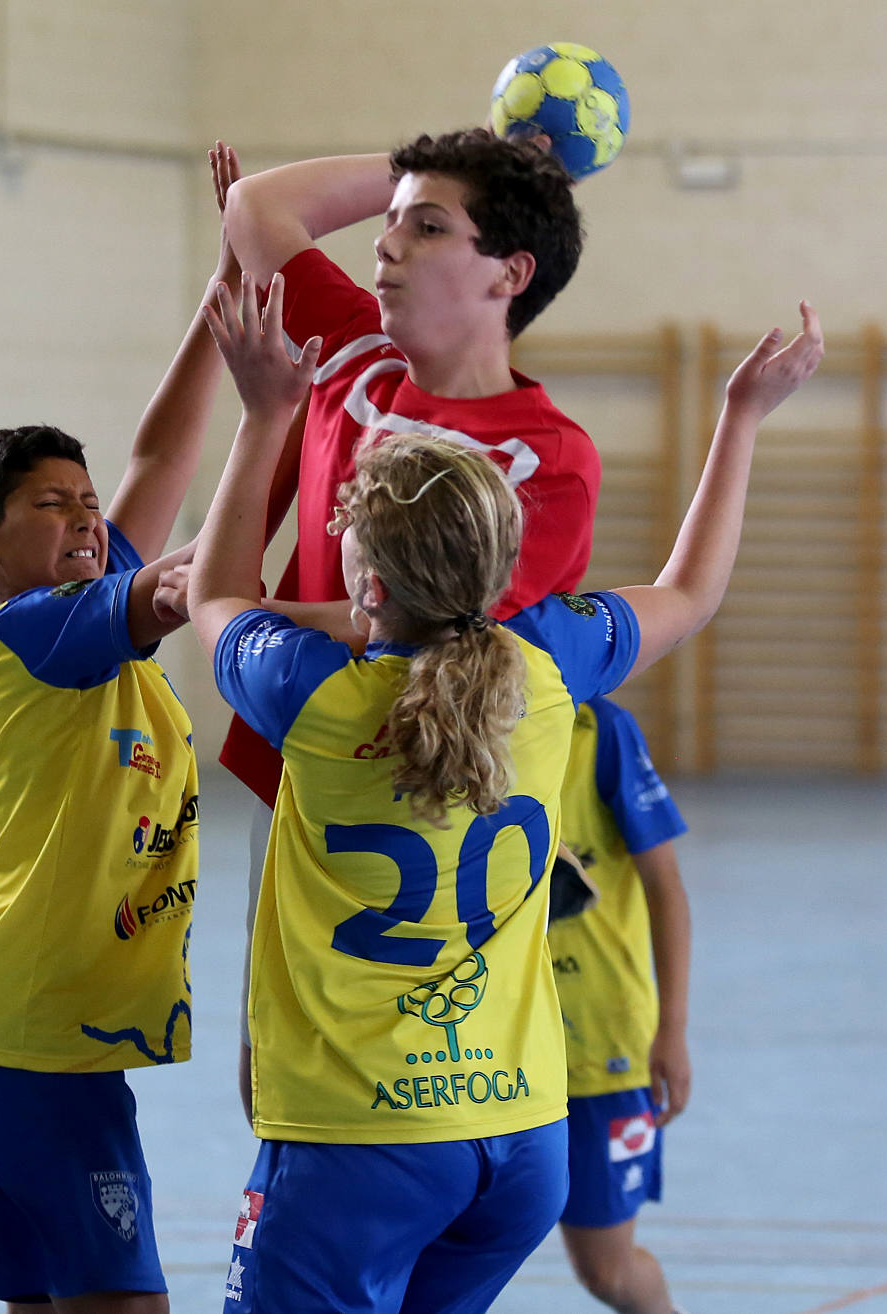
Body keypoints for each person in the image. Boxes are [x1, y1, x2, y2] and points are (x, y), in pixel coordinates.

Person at [186, 272, 822, 1313]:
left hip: (361, 1134)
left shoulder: (309, 692)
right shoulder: (552, 664)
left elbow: (216, 595)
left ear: (366, 586)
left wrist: (265, 416)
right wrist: (740, 418)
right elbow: (690, 592)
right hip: (521, 1139)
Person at [196, 130, 601, 1111]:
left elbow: (428, 623)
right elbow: (256, 207)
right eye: (387, 222)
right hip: (308, 763)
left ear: (509, 273)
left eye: (425, 227)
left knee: (434, 1077)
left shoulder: (545, 458)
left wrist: (242, 608)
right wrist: (463, 154)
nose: (384, 244)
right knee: (273, 1070)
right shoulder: (354, 357)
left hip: (435, 789)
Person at [0, 183, 243, 1313]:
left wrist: (224, 293)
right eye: (54, 506)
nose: (88, 518)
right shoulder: (35, 631)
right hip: (22, 1041)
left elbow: (162, 454)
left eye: (90, 503)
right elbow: (190, 581)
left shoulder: (83, 605)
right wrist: (280, 418)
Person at [552, 698, 692, 1314]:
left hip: (600, 1045)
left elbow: (665, 887)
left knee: (606, 1271)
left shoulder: (598, 731)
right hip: (486, 1044)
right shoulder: (447, 715)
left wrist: (672, 1030)